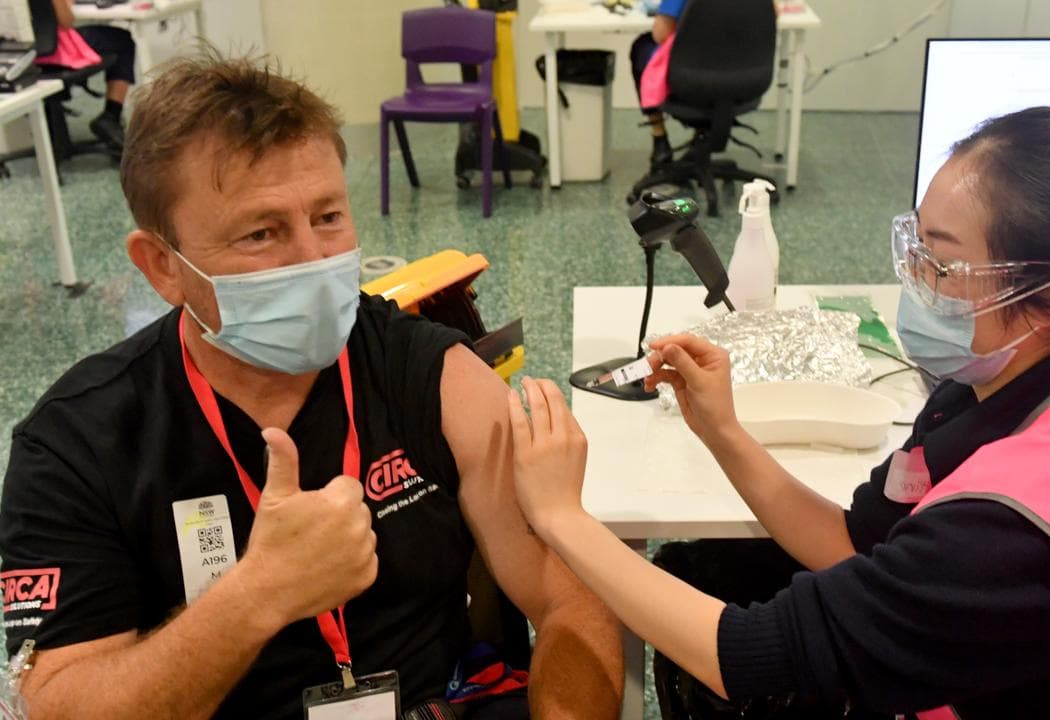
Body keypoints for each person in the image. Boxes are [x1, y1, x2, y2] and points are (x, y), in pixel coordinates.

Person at [505, 107, 1050, 717]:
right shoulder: (1007, 388)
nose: (917, 282)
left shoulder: (1014, 530)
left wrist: (568, 520)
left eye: (942, 264)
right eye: (917, 246)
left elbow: (743, 656)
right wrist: (723, 431)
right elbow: (850, 545)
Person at [0, 50, 622, 719]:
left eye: (328, 217)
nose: (313, 260)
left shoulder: (434, 374)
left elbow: (574, 599)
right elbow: (57, 703)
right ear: (162, 266)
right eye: (262, 233)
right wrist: (257, 596)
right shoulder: (79, 441)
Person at [46, 0, 136, 149]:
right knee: (123, 41)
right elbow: (66, 20)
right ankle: (111, 116)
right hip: (55, 50)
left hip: (21, 55)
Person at [629, 0, 685, 168]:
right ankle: (704, 136)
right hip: (743, 76)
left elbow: (661, 33)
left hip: (691, 77)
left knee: (642, 48)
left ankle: (660, 138)